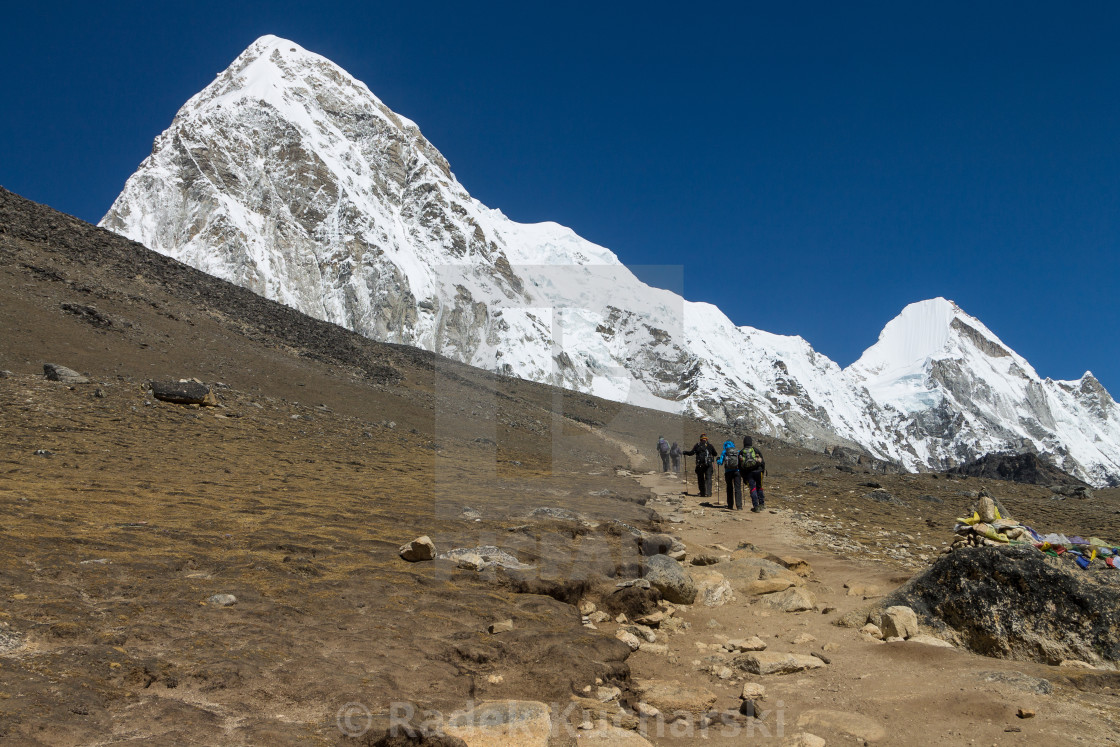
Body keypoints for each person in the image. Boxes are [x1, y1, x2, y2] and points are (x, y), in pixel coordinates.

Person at [741, 436, 766, 512]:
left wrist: (744, 477)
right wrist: (762, 471)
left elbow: (740, 467)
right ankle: (762, 504)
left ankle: (756, 506)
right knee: (759, 487)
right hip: (758, 472)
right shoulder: (755, 450)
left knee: (753, 489)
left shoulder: (742, 452)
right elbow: (762, 462)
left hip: (749, 473)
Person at [717, 440, 743, 510]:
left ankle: (730, 505)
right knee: (738, 488)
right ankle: (739, 506)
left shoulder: (725, 451)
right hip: (737, 471)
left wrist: (718, 460)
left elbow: (720, 462)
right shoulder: (738, 451)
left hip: (728, 472)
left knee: (729, 488)